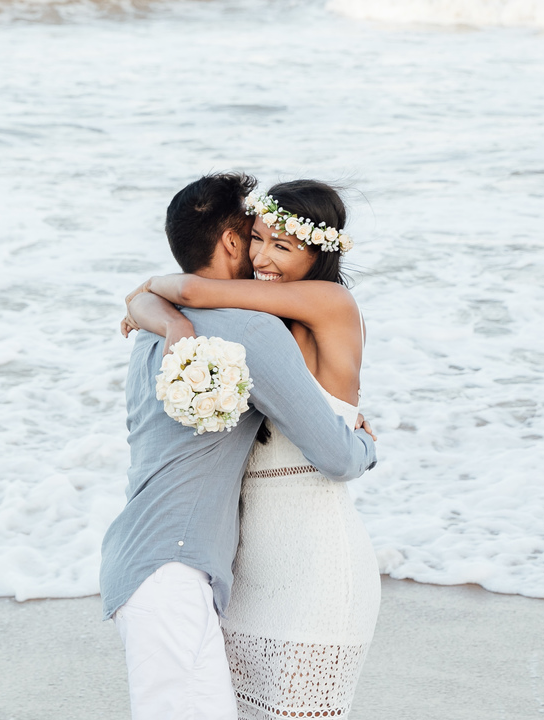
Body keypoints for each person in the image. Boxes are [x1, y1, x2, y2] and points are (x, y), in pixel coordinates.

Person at [99, 173, 377, 720]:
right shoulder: (248, 328)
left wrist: (155, 304)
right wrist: (364, 444)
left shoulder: (169, 331)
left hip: (284, 559)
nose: (263, 255)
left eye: (280, 243)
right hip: (215, 570)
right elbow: (341, 455)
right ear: (234, 241)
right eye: (256, 238)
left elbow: (177, 295)